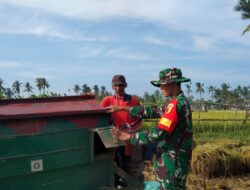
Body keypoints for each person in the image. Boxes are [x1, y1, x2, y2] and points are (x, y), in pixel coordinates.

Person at [108, 68, 193, 190]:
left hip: (173, 163)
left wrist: (129, 137)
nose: (160, 88)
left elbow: (158, 133)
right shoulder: (177, 102)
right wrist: (122, 108)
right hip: (175, 161)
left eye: (162, 84)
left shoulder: (176, 104)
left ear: (173, 84)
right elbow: (153, 111)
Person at [101, 75, 141, 184]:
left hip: (130, 141)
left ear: (125, 85)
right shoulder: (108, 100)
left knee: (132, 168)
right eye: (116, 85)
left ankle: (134, 184)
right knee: (117, 166)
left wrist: (129, 128)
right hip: (114, 141)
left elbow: (139, 120)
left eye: (121, 85)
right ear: (113, 86)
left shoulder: (134, 101)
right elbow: (98, 114)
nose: (119, 88)